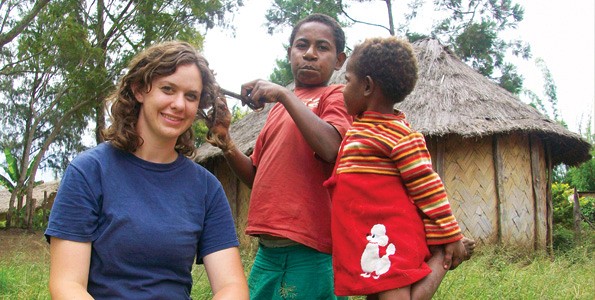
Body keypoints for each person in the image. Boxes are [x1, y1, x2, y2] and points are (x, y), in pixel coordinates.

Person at [44, 41, 248, 299]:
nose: (179, 104)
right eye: (167, 89)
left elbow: (232, 287)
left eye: (191, 96)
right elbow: (66, 285)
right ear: (139, 89)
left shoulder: (206, 188)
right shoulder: (89, 172)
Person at [206, 13, 351, 300]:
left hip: (311, 253)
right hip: (267, 254)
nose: (310, 54)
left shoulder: (337, 96)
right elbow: (256, 176)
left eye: (322, 47)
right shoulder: (278, 110)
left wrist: (284, 95)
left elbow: (331, 148)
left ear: (339, 60)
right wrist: (226, 142)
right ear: (290, 53)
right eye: (301, 45)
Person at [323, 36, 468, 300]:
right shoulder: (362, 127)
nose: (342, 90)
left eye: (347, 81)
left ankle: (441, 256)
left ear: (366, 86)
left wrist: (450, 234)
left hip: (390, 234)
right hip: (366, 234)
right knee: (376, 294)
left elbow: (428, 185)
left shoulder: (399, 135)